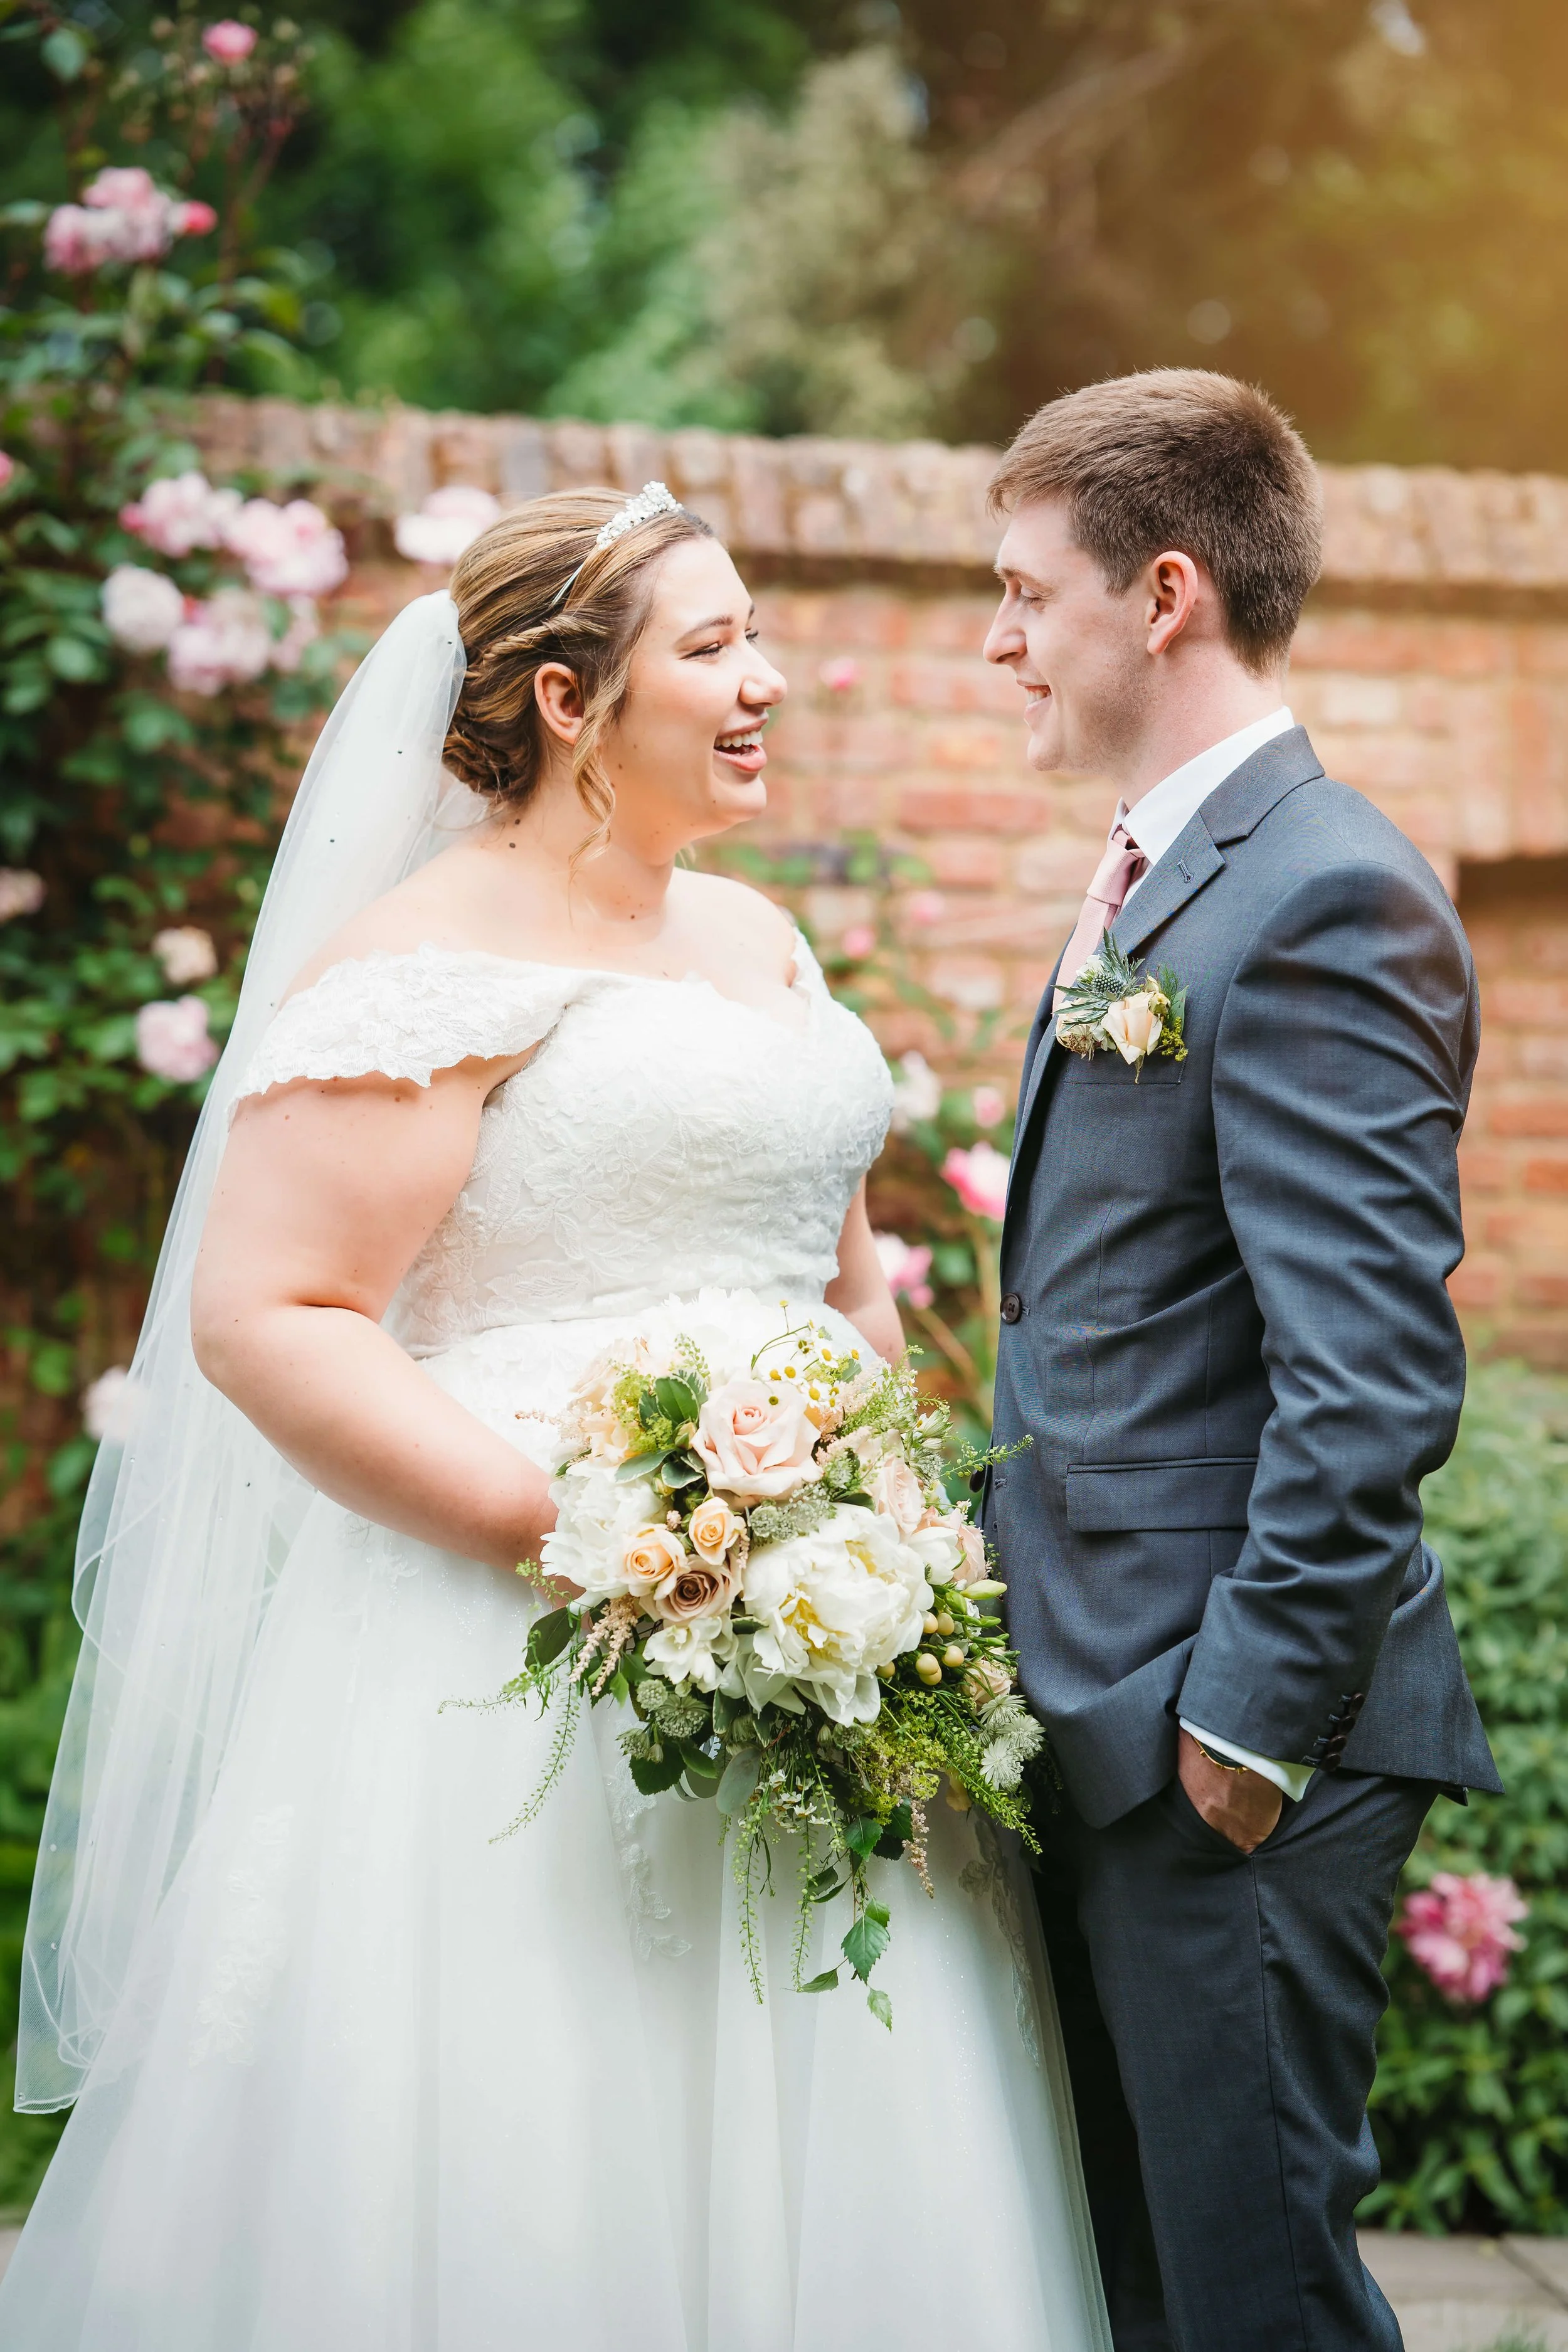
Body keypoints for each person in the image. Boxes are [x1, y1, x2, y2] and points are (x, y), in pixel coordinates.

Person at [0, 485, 1110, 2351]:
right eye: (710, 648)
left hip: (827, 1641)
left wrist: (877, 1537)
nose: (762, 682)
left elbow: (842, 1276)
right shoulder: (430, 969)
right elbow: (274, 1317)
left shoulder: (760, 939)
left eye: (757, 634)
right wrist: (608, 1545)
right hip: (506, 1653)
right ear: (566, 698)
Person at [982, 368, 1501, 2352]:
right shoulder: (1163, 870)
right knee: (1146, 2293)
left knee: (1253, 2299)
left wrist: (1243, 1734)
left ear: (1163, 593)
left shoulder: (1323, 891)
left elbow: (1364, 1374)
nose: (998, 636)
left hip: (1231, 1742)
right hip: (1117, 1713)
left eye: (1027, 591)